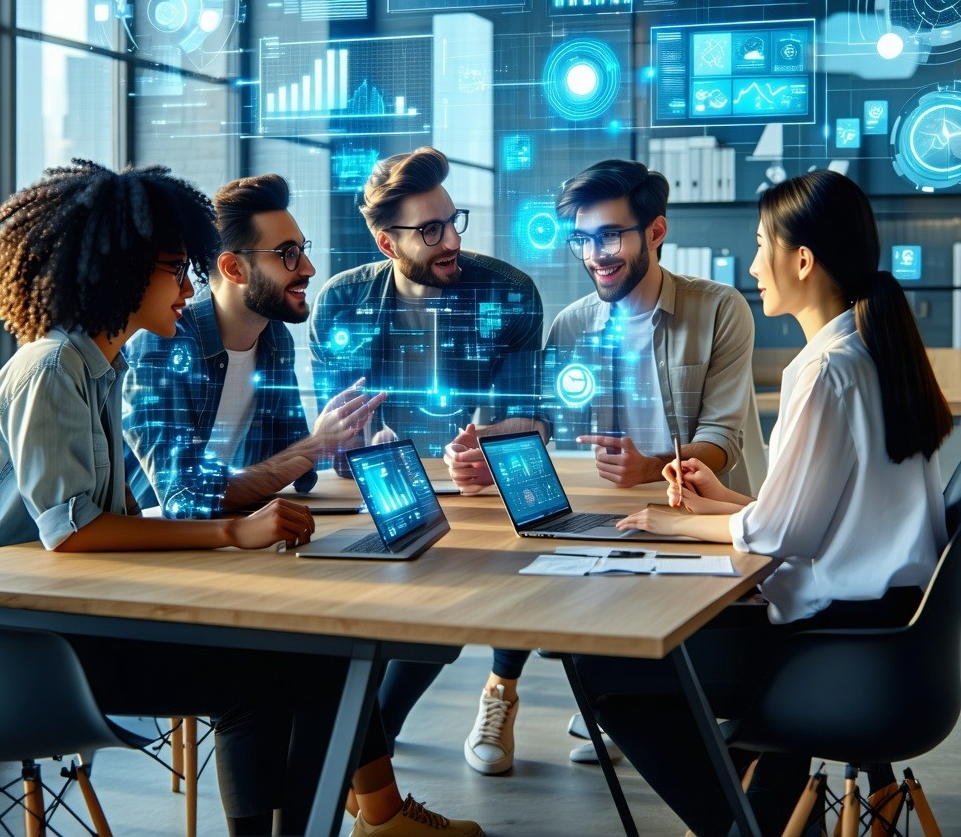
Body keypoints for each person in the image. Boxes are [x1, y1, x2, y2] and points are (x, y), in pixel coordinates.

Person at [0, 160, 483, 837]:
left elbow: (114, 521)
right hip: (17, 650)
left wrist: (323, 454)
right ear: (122, 270)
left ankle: (364, 820)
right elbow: (76, 531)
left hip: (86, 611)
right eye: (176, 269)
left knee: (320, 654)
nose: (187, 285)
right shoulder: (54, 367)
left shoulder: (100, 368)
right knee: (267, 678)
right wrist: (234, 532)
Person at [573, 170, 952, 837]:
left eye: (760, 245)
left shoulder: (824, 368)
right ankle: (762, 808)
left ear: (801, 260)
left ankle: (739, 825)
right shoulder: (868, 350)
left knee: (604, 668)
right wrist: (728, 501)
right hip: (888, 632)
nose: (753, 265)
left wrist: (668, 520)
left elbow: (781, 534)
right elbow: (826, 513)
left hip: (835, 641)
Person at [448, 158, 755, 775]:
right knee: (525, 547)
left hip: (703, 521)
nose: (595, 254)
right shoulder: (571, 325)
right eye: (583, 239)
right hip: (612, 517)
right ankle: (501, 692)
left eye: (611, 234)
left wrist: (652, 466)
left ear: (656, 232)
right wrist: (490, 447)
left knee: (631, 658)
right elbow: (547, 424)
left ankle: (617, 697)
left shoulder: (720, 309)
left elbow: (724, 440)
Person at [308, 146, 545, 751]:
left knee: (522, 530)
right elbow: (333, 433)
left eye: (452, 221)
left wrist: (490, 446)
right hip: (386, 490)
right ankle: (366, 750)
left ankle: (498, 688)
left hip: (479, 489)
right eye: (431, 230)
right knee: (393, 607)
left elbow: (528, 418)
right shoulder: (342, 303)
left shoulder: (509, 293)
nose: (451, 242)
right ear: (388, 245)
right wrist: (363, 444)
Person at [123, 173, 383, 517]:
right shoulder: (164, 345)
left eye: (302, 250)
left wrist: (339, 444)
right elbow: (184, 498)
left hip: (236, 528)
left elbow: (297, 469)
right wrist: (312, 447)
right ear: (234, 269)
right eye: (287, 254)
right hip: (160, 544)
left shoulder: (275, 338)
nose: (308, 268)